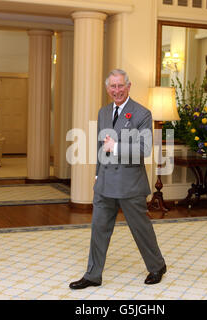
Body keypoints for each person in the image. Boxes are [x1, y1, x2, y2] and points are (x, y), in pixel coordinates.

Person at [69, 69, 166, 290]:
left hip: (130, 184)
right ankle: (93, 275)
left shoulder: (142, 113)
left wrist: (117, 147)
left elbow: (144, 148)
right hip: (104, 183)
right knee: (98, 228)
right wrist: (97, 173)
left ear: (129, 86)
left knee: (140, 229)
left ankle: (157, 266)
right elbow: (99, 147)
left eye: (120, 86)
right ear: (107, 89)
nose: (117, 90)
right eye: (112, 86)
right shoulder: (103, 112)